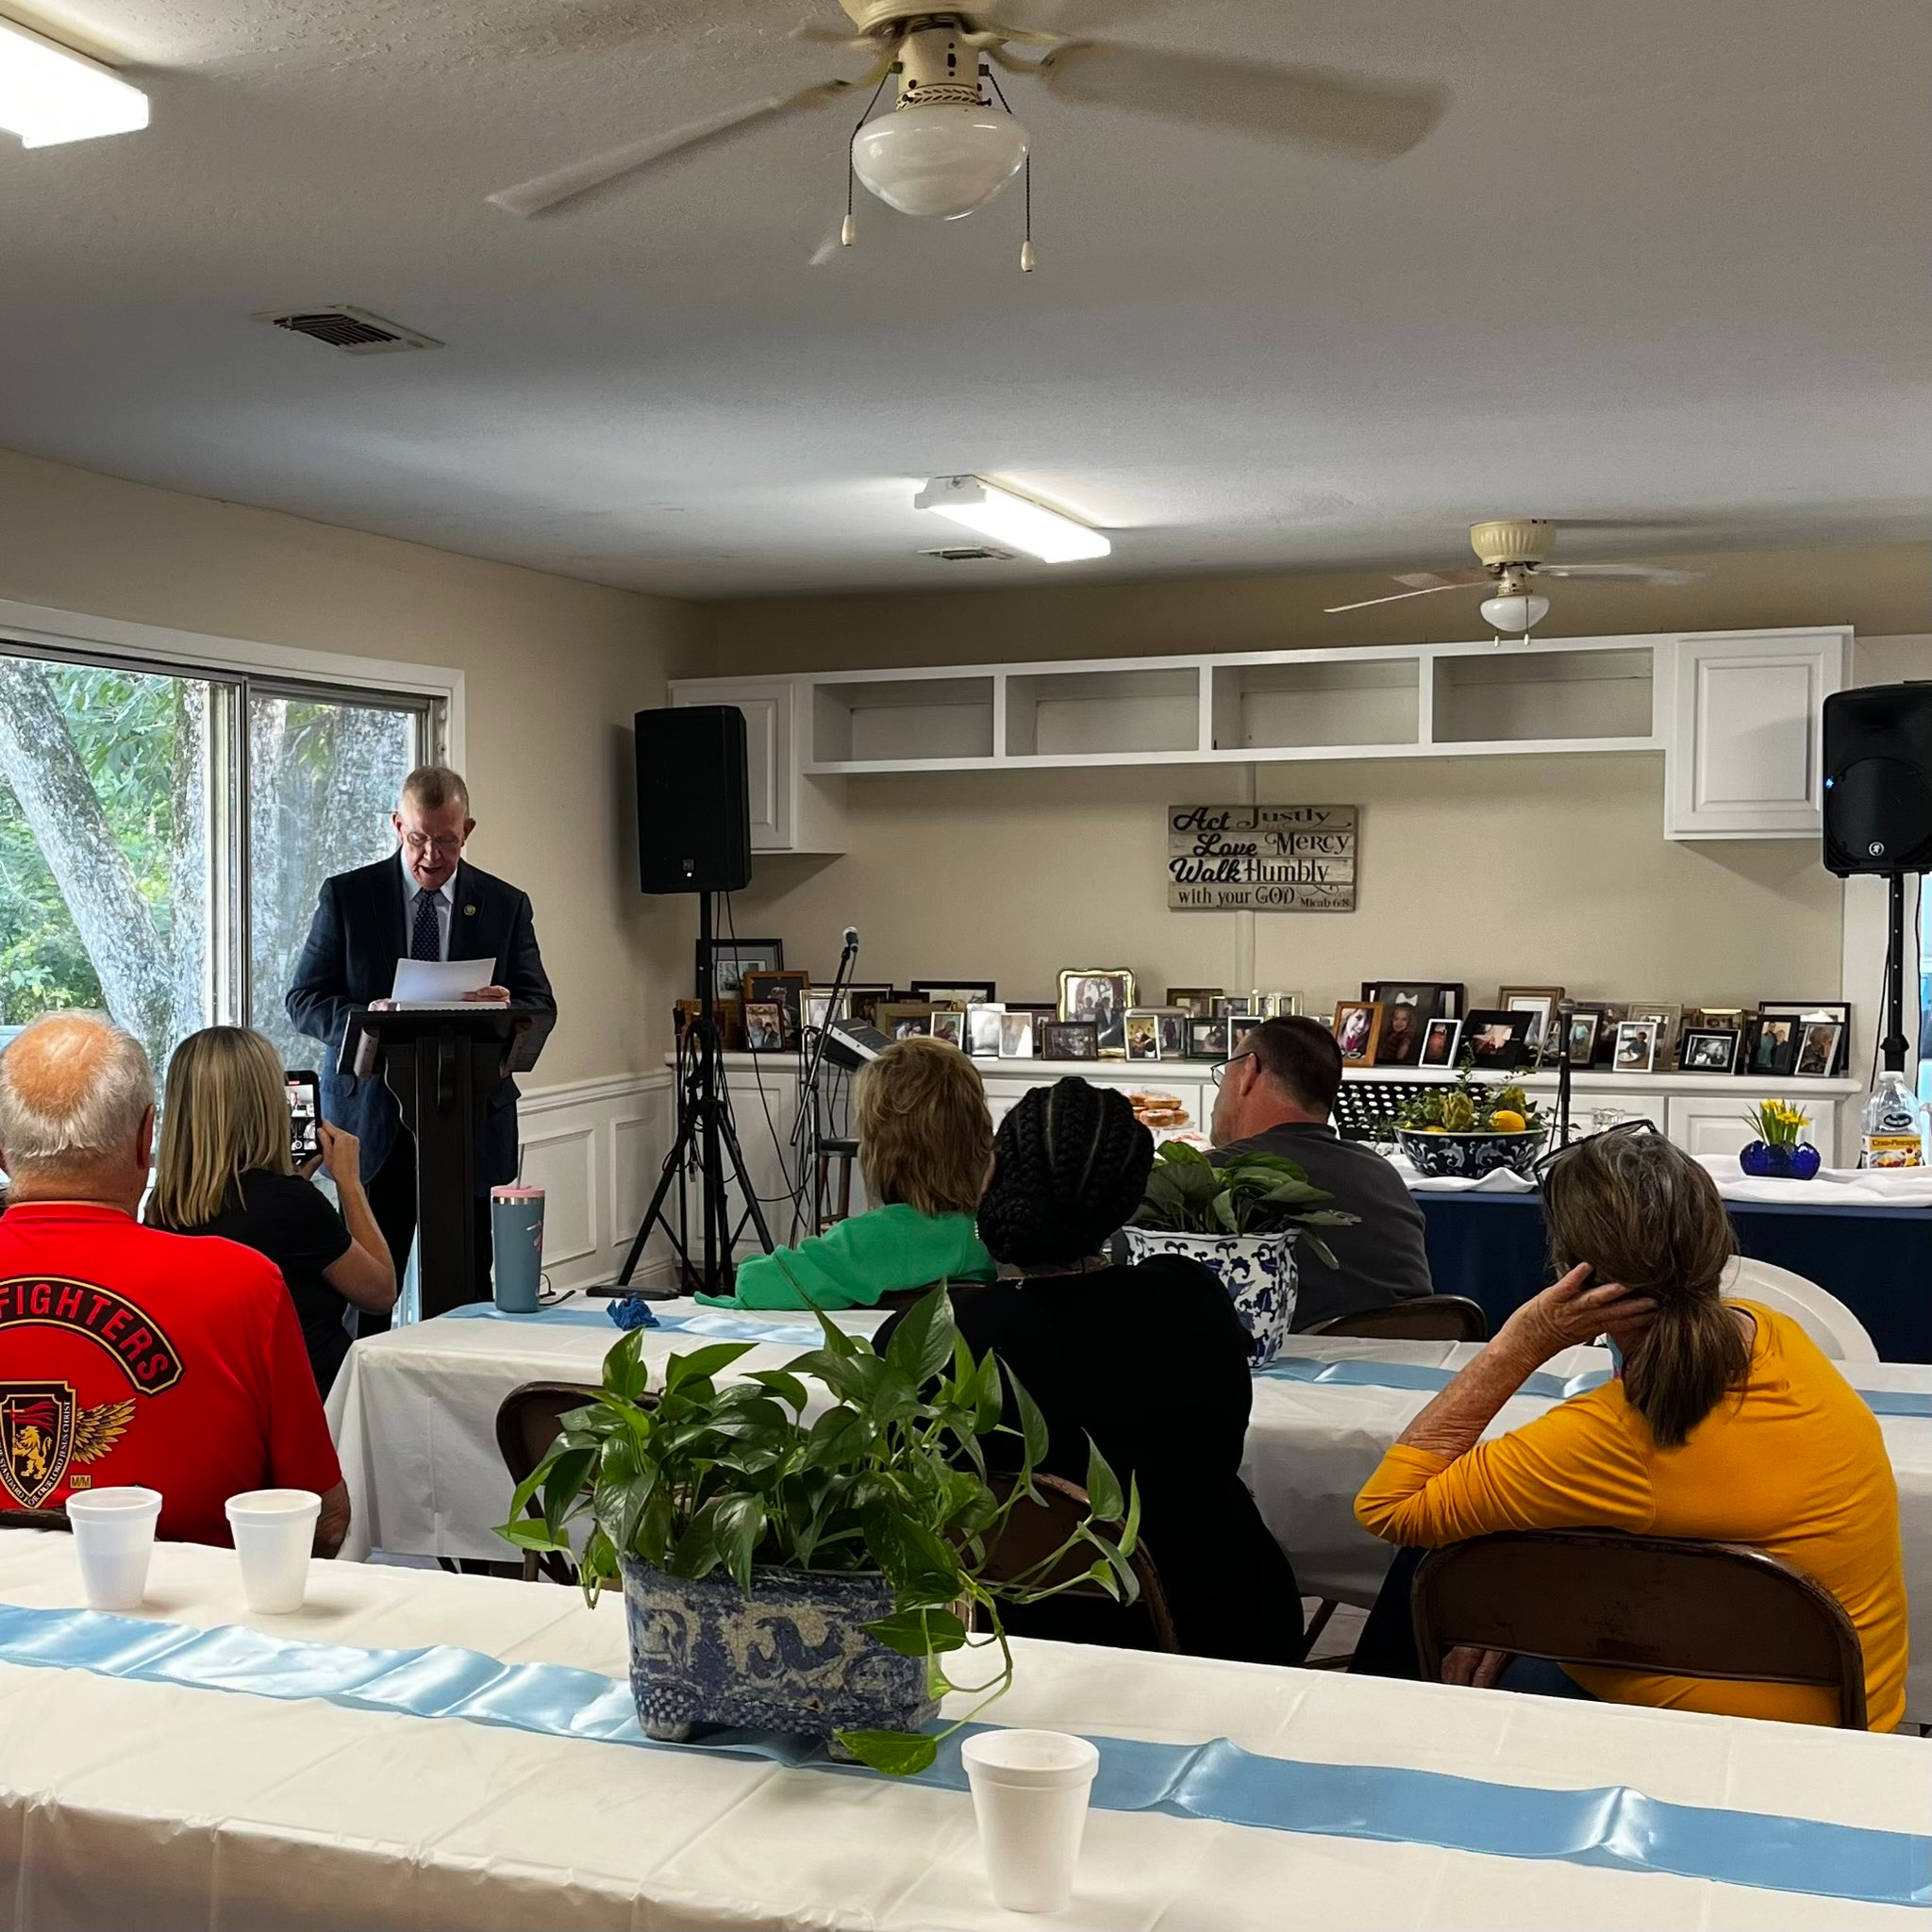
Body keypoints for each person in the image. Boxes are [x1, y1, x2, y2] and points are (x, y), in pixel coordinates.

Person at [1352, 1128, 1907, 1729]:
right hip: (1848, 1713)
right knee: (1479, 1568)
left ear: (1569, 1272)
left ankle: (1374, 1748)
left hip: (1715, 1735)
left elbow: (1390, 1507)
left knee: (1430, 1570)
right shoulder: (1774, 1335)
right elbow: (1675, 1505)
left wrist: (1520, 1342)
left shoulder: (1612, 1438)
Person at [891, 1076, 1303, 1667]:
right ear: (1129, 1197)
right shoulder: (1189, 1301)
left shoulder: (930, 1337)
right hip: (1216, 1623)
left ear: (993, 1176)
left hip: (996, 1639)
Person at [0, 1013, 348, 1551]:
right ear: (146, 1139)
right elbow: (320, 1517)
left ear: (4, 1153)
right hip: (187, 1622)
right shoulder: (243, 1283)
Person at [286, 765, 555, 1324]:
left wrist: (506, 1005)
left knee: (472, 1287)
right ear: (397, 825)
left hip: (472, 1125)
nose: (431, 856)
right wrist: (369, 1020)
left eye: (447, 841)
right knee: (366, 1299)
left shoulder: (505, 905)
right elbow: (305, 999)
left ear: (468, 830)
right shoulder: (348, 897)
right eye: (418, 839)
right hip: (374, 1124)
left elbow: (540, 1005)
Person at [147, 1026, 395, 1398]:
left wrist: (295, 1184)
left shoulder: (163, 1210)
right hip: (314, 1404)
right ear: (264, 1104)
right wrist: (349, 1182)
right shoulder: (290, 1205)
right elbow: (380, 1291)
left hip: (221, 1404)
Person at [698, 1036, 996, 1312]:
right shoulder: (992, 1233)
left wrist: (833, 1248)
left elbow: (756, 1284)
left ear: (881, 1146)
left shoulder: (872, 1240)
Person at [1208, 1015, 1431, 1328]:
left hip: (1281, 1375)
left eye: (1223, 1074)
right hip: (1414, 1368)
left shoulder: (1206, 1180)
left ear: (1248, 1071)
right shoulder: (1384, 1176)